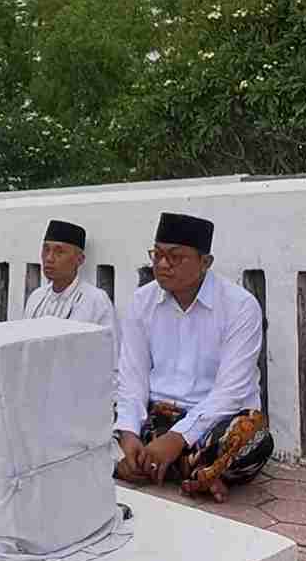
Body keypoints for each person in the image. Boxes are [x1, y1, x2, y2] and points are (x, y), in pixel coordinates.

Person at [112, 212, 271, 503]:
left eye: (175, 257)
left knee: (253, 438)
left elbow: (231, 393)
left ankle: (157, 463)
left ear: (205, 262)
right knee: (92, 411)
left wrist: (177, 439)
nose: (162, 264)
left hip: (213, 422)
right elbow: (131, 377)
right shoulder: (141, 301)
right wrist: (129, 434)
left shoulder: (240, 307)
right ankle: (195, 471)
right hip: (156, 417)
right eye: (157, 254)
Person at [23, 217, 116, 336]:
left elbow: (109, 349)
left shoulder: (96, 301)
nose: (49, 258)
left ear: (79, 259)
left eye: (59, 252)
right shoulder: (36, 298)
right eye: (46, 250)